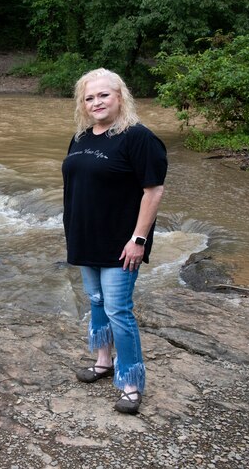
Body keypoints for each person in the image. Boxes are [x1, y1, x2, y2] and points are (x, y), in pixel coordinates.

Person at [62, 68, 167, 414]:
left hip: (122, 243)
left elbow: (153, 190)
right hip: (85, 238)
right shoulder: (81, 138)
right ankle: (103, 361)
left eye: (103, 95)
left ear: (120, 96)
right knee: (95, 301)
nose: (97, 102)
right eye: (89, 97)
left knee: (118, 310)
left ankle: (132, 383)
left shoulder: (138, 138)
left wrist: (139, 238)